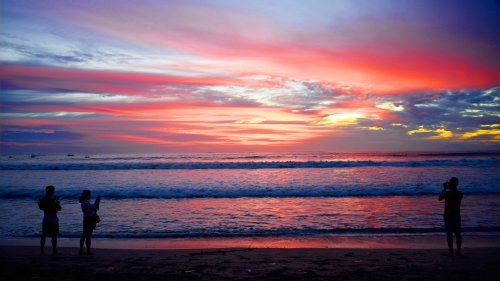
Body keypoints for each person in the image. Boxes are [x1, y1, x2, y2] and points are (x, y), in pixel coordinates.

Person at [438, 177, 463, 256]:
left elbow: (440, 198)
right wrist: (449, 187)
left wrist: (445, 188)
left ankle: (451, 251)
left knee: (449, 235)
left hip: (448, 216)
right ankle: (458, 251)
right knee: (458, 234)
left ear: (450, 183)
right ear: (457, 184)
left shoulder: (447, 193)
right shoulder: (460, 194)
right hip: (457, 216)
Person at [38, 185, 62, 255]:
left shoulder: (41, 200)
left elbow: (41, 208)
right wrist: (58, 203)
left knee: (44, 235)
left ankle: (42, 251)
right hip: (53, 218)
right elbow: (59, 209)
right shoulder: (54, 200)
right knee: (54, 235)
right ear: (52, 191)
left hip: (45, 217)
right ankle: (54, 250)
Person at [79, 190, 100, 255]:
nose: (90, 196)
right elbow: (94, 207)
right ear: (86, 195)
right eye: (89, 195)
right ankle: (88, 250)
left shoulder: (84, 203)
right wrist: (97, 200)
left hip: (86, 219)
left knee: (84, 235)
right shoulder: (85, 203)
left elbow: (93, 207)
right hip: (89, 219)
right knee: (88, 236)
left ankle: (81, 249)